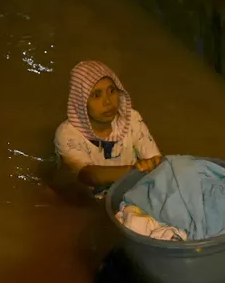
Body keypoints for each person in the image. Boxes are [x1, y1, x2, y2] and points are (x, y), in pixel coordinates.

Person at [54, 61, 163, 198]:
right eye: (96, 95)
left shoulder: (131, 119)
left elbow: (155, 161)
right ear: (81, 103)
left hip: (126, 193)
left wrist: (150, 164)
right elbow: (87, 175)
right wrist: (134, 170)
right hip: (85, 199)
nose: (108, 102)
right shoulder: (68, 134)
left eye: (112, 91)